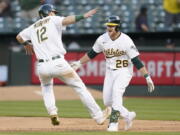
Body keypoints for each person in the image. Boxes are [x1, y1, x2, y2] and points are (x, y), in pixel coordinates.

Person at [16, 4, 111, 126]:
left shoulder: (33, 27)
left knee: (46, 89)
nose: (54, 13)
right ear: (48, 13)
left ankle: (53, 113)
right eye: (53, 12)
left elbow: (18, 36)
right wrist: (83, 16)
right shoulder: (52, 19)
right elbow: (67, 20)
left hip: (42, 67)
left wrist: (25, 44)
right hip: (58, 62)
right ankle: (98, 116)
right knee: (80, 88)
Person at [71, 16, 155, 132]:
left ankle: (113, 124)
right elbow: (92, 53)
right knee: (107, 101)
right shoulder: (102, 39)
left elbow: (136, 60)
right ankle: (128, 115)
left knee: (116, 93)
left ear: (117, 27)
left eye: (111, 26)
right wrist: (79, 63)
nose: (108, 27)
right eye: (108, 25)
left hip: (124, 71)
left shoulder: (126, 40)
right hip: (110, 72)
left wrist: (147, 76)